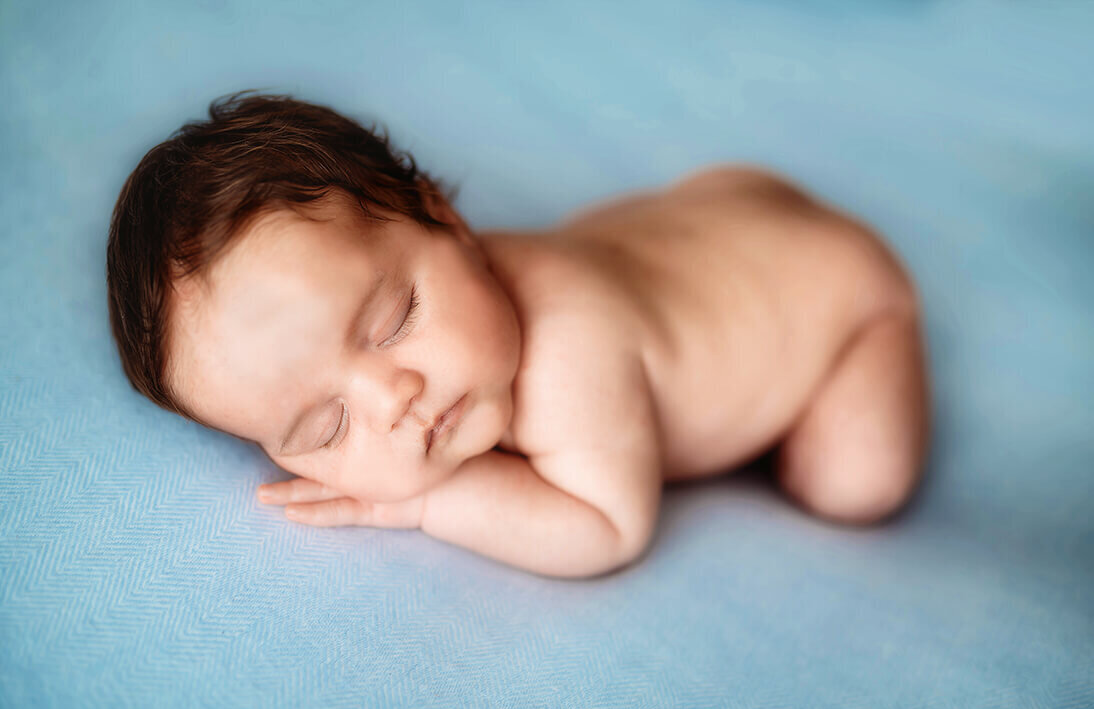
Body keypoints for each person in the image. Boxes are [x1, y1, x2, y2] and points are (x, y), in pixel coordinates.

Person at [107, 91, 931, 579]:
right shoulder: (466, 288)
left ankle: (856, 340)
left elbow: (609, 528)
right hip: (715, 222)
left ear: (447, 216)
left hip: (841, 294)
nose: (392, 400)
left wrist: (430, 501)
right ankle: (737, 199)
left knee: (852, 484)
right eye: (326, 428)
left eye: (394, 322)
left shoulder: (571, 350)